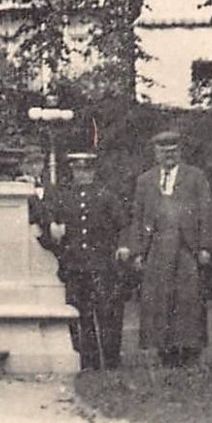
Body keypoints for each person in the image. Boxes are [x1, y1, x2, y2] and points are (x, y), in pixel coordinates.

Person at [121, 129, 212, 367]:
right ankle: (164, 352)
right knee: (159, 300)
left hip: (186, 247)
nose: (168, 156)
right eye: (163, 151)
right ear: (156, 153)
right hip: (157, 247)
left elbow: (207, 213)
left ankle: (190, 351)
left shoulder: (195, 177)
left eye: (173, 151)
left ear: (180, 152)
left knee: (188, 299)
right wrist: (138, 251)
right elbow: (138, 217)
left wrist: (205, 246)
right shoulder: (145, 180)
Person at [44, 152, 126, 370]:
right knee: (82, 315)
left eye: (86, 170)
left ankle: (111, 360)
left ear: (93, 171)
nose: (82, 174)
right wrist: (54, 227)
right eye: (78, 170)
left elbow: (122, 225)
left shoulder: (106, 197)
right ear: (72, 171)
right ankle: (88, 361)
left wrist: (120, 247)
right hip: (75, 265)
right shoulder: (64, 197)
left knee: (106, 313)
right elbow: (53, 221)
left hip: (101, 264)